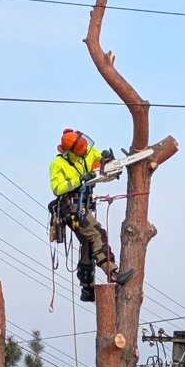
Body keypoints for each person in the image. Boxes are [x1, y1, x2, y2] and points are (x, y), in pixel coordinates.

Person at [49, 129, 133, 302]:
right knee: (97, 234)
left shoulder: (87, 150)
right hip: (70, 205)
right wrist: (78, 180)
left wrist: (107, 160)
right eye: (80, 150)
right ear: (68, 152)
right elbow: (57, 188)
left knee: (88, 243)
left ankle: (87, 289)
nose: (84, 152)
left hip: (84, 203)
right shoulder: (58, 164)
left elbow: (98, 164)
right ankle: (113, 272)